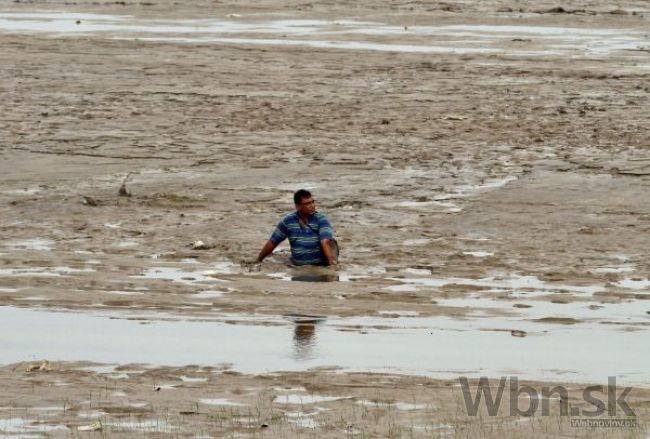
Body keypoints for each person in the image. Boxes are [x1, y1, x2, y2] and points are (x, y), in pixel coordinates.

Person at [256, 189, 338, 266]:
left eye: (312, 202)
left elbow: (325, 242)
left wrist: (332, 265)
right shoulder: (288, 221)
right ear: (298, 206)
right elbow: (273, 242)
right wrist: (259, 260)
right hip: (297, 266)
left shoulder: (321, 220)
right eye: (307, 204)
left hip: (319, 265)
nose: (312, 205)